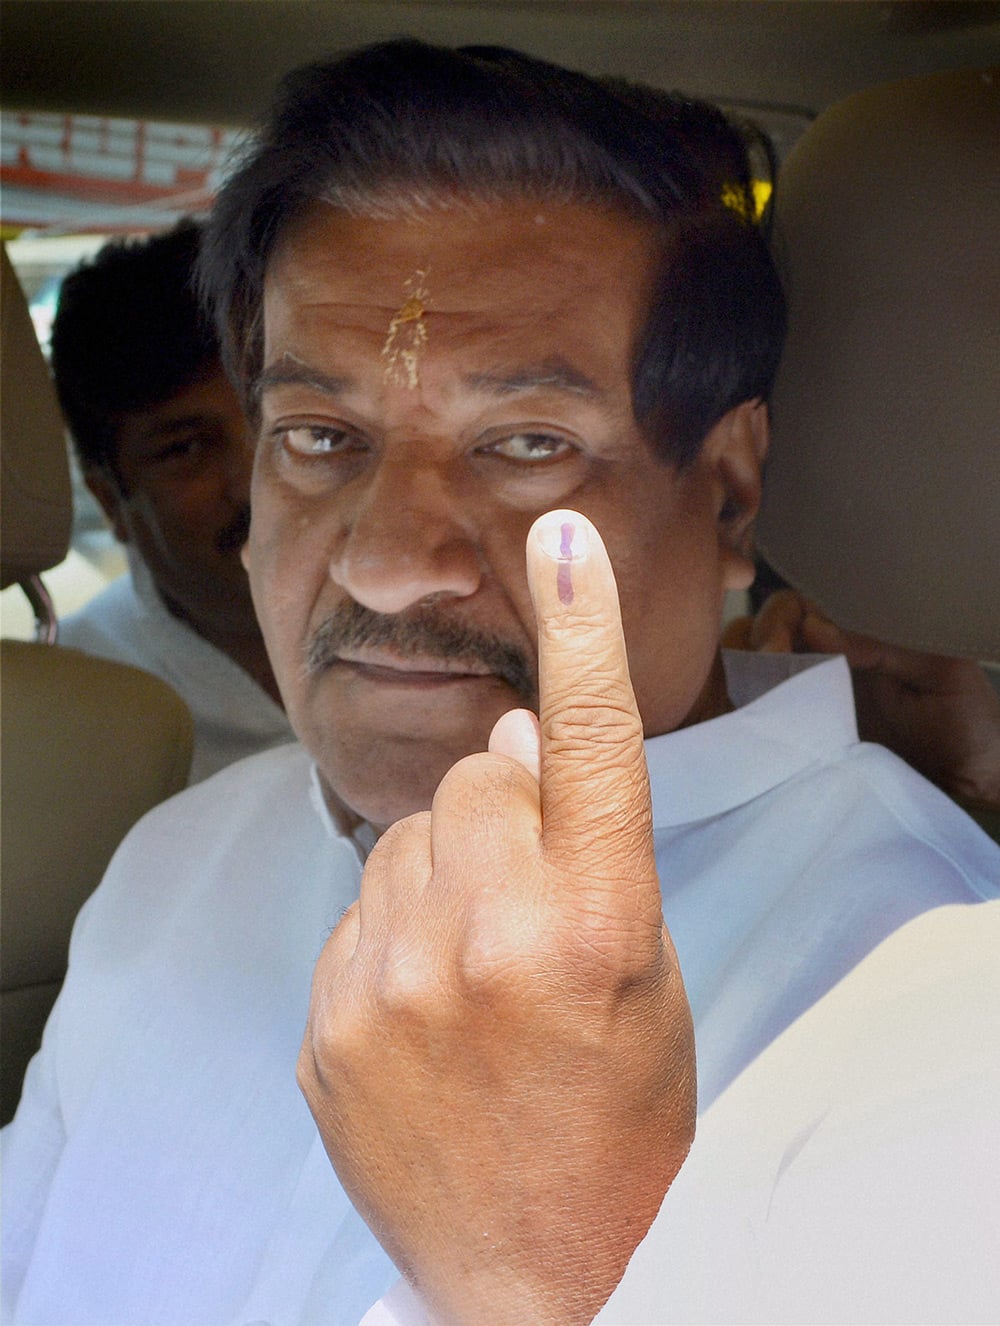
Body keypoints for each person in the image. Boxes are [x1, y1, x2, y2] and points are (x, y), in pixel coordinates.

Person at [3, 40, 997, 1326]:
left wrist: (535, 1279)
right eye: (320, 439)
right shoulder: (181, 859)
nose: (386, 561)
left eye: (527, 445)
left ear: (731, 491)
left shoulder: (937, 991)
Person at [50, 221, 293, 782]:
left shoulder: (466, 639)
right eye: (185, 448)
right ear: (110, 501)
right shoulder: (64, 727)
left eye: (284, 420)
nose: (256, 480)